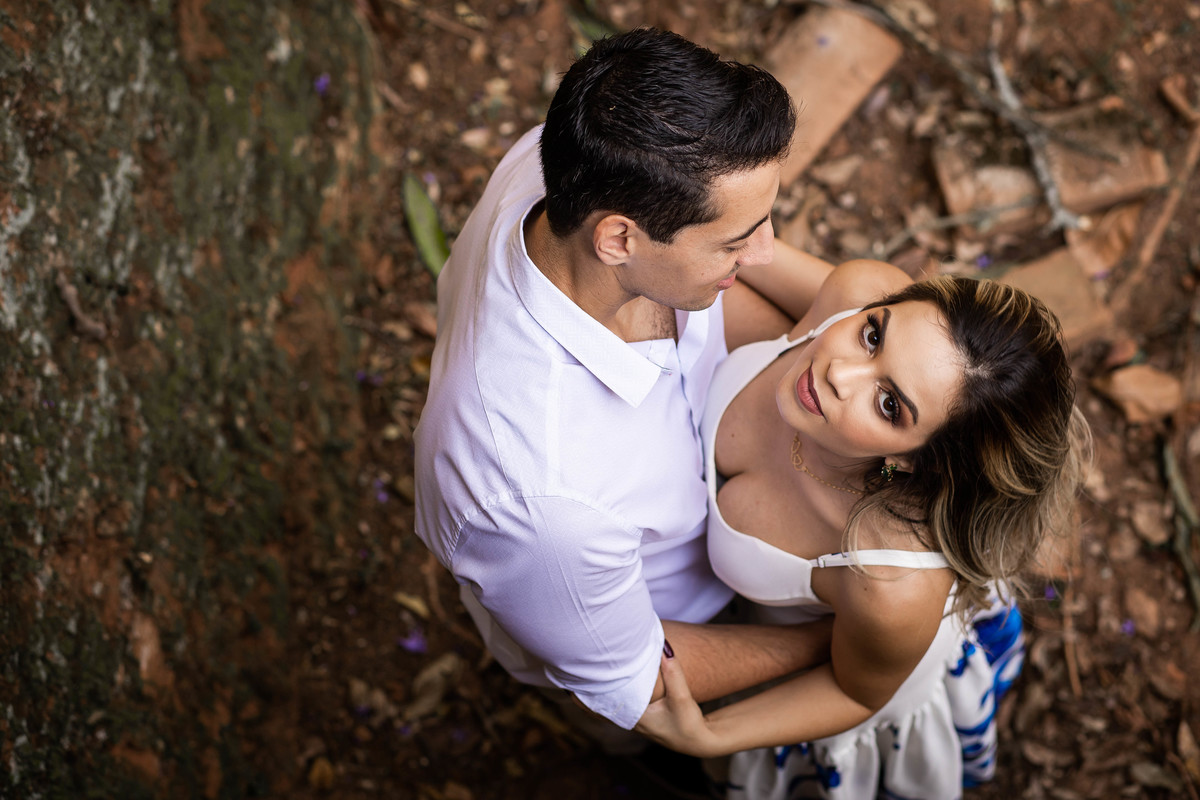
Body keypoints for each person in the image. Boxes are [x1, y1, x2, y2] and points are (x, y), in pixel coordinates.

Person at [413, 27, 835, 749]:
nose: (765, 253)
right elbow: (640, 677)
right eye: (737, 241)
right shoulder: (542, 500)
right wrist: (837, 647)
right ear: (620, 240)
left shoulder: (578, 157)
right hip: (684, 621)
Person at [634, 259, 1091, 798]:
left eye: (890, 404)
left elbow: (855, 693)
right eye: (873, 335)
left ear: (920, 464)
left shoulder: (888, 580)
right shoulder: (858, 291)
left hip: (868, 652)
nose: (839, 372)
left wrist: (710, 736)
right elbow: (748, 253)